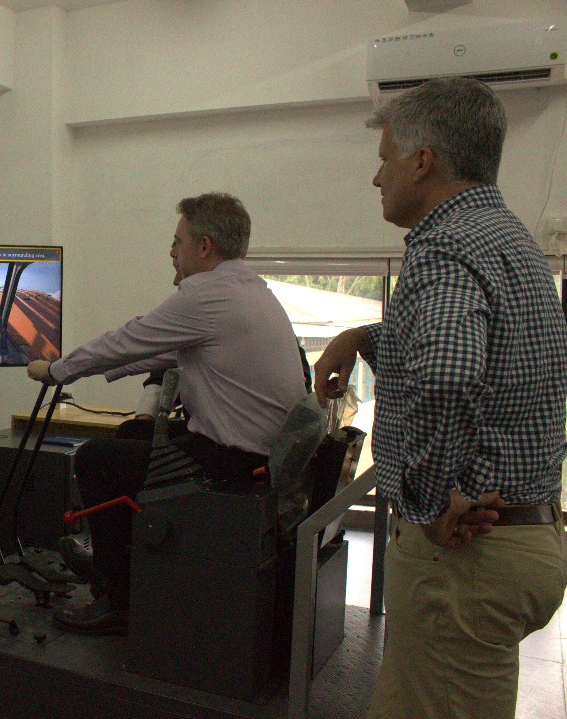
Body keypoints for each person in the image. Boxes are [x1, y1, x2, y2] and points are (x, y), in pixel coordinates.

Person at [313, 77, 567, 719]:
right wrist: (360, 337)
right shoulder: (511, 241)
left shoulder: (443, 245)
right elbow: (481, 349)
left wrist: (428, 501)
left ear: (422, 161)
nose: (377, 178)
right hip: (523, 542)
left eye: (385, 159)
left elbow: (449, 374)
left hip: (467, 555)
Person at [27, 192, 307, 634]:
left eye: (178, 241)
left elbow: (129, 339)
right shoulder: (247, 289)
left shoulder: (207, 295)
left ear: (204, 246)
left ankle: (119, 598)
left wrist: (59, 371)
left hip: (233, 461)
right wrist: (86, 371)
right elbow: (157, 352)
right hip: (255, 452)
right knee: (129, 437)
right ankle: (114, 560)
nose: (171, 251)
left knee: (95, 460)